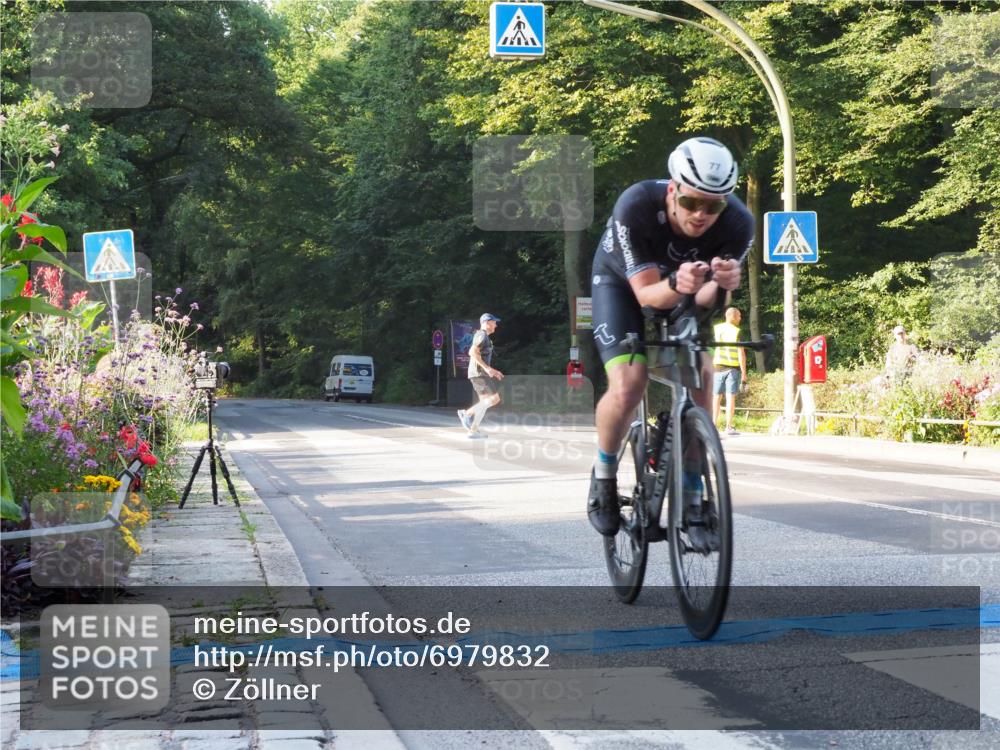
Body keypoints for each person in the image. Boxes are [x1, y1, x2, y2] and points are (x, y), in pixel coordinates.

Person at [587, 137, 753, 537]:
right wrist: (680, 284)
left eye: (712, 206)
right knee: (630, 382)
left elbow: (708, 299)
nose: (701, 215)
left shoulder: (738, 222)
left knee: (703, 372)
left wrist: (723, 282)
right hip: (621, 284)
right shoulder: (637, 205)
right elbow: (645, 295)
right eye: (692, 202)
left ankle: (694, 496)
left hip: (684, 289)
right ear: (672, 189)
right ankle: (604, 481)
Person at [457, 313, 504, 438]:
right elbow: (472, 352)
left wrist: (492, 370)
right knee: (494, 399)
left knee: (484, 403)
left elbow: (480, 356)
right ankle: (467, 414)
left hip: (479, 373)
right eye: (494, 322)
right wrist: (487, 369)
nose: (496, 325)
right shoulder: (482, 335)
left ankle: (473, 431)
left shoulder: (484, 337)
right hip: (479, 374)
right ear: (487, 322)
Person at [712, 307, 748, 435]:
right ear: (732, 316)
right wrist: (744, 373)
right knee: (730, 397)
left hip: (717, 366)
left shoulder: (717, 329)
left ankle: (713, 426)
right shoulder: (736, 331)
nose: (740, 318)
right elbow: (741, 354)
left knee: (716, 397)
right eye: (739, 316)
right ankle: (728, 427)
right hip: (732, 367)